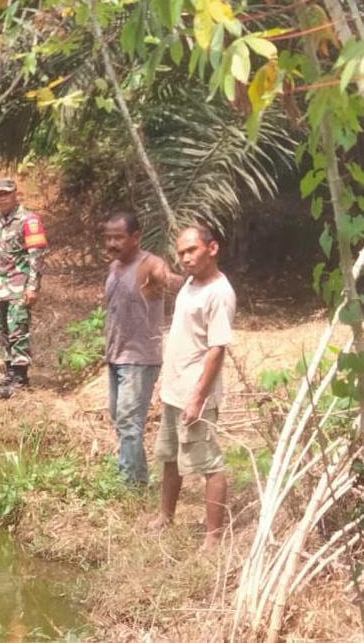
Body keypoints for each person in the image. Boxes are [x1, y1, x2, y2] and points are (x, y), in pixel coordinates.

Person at [150, 225, 235, 550]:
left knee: (209, 464)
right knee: (170, 456)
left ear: (212, 248)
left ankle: (213, 537)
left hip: (194, 395)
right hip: (174, 390)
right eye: (181, 252)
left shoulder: (219, 293)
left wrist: (198, 397)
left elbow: (217, 349)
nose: (185, 258)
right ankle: (165, 516)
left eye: (192, 250)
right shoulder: (191, 283)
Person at [102, 212, 179, 485]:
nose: (112, 243)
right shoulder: (115, 267)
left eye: (118, 238)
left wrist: (180, 280)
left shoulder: (149, 265)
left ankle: (131, 486)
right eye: (108, 237)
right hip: (115, 356)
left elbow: (167, 278)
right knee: (120, 420)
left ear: (136, 237)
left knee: (129, 424)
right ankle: (136, 476)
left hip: (139, 358)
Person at [0, 178, 47, 399]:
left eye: (6, 193)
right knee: (3, 331)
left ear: (16, 194)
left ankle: (20, 377)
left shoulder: (29, 221)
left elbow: (36, 256)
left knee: (18, 329)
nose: (3, 198)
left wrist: (33, 287)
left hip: (19, 286)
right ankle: (9, 372)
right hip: (0, 287)